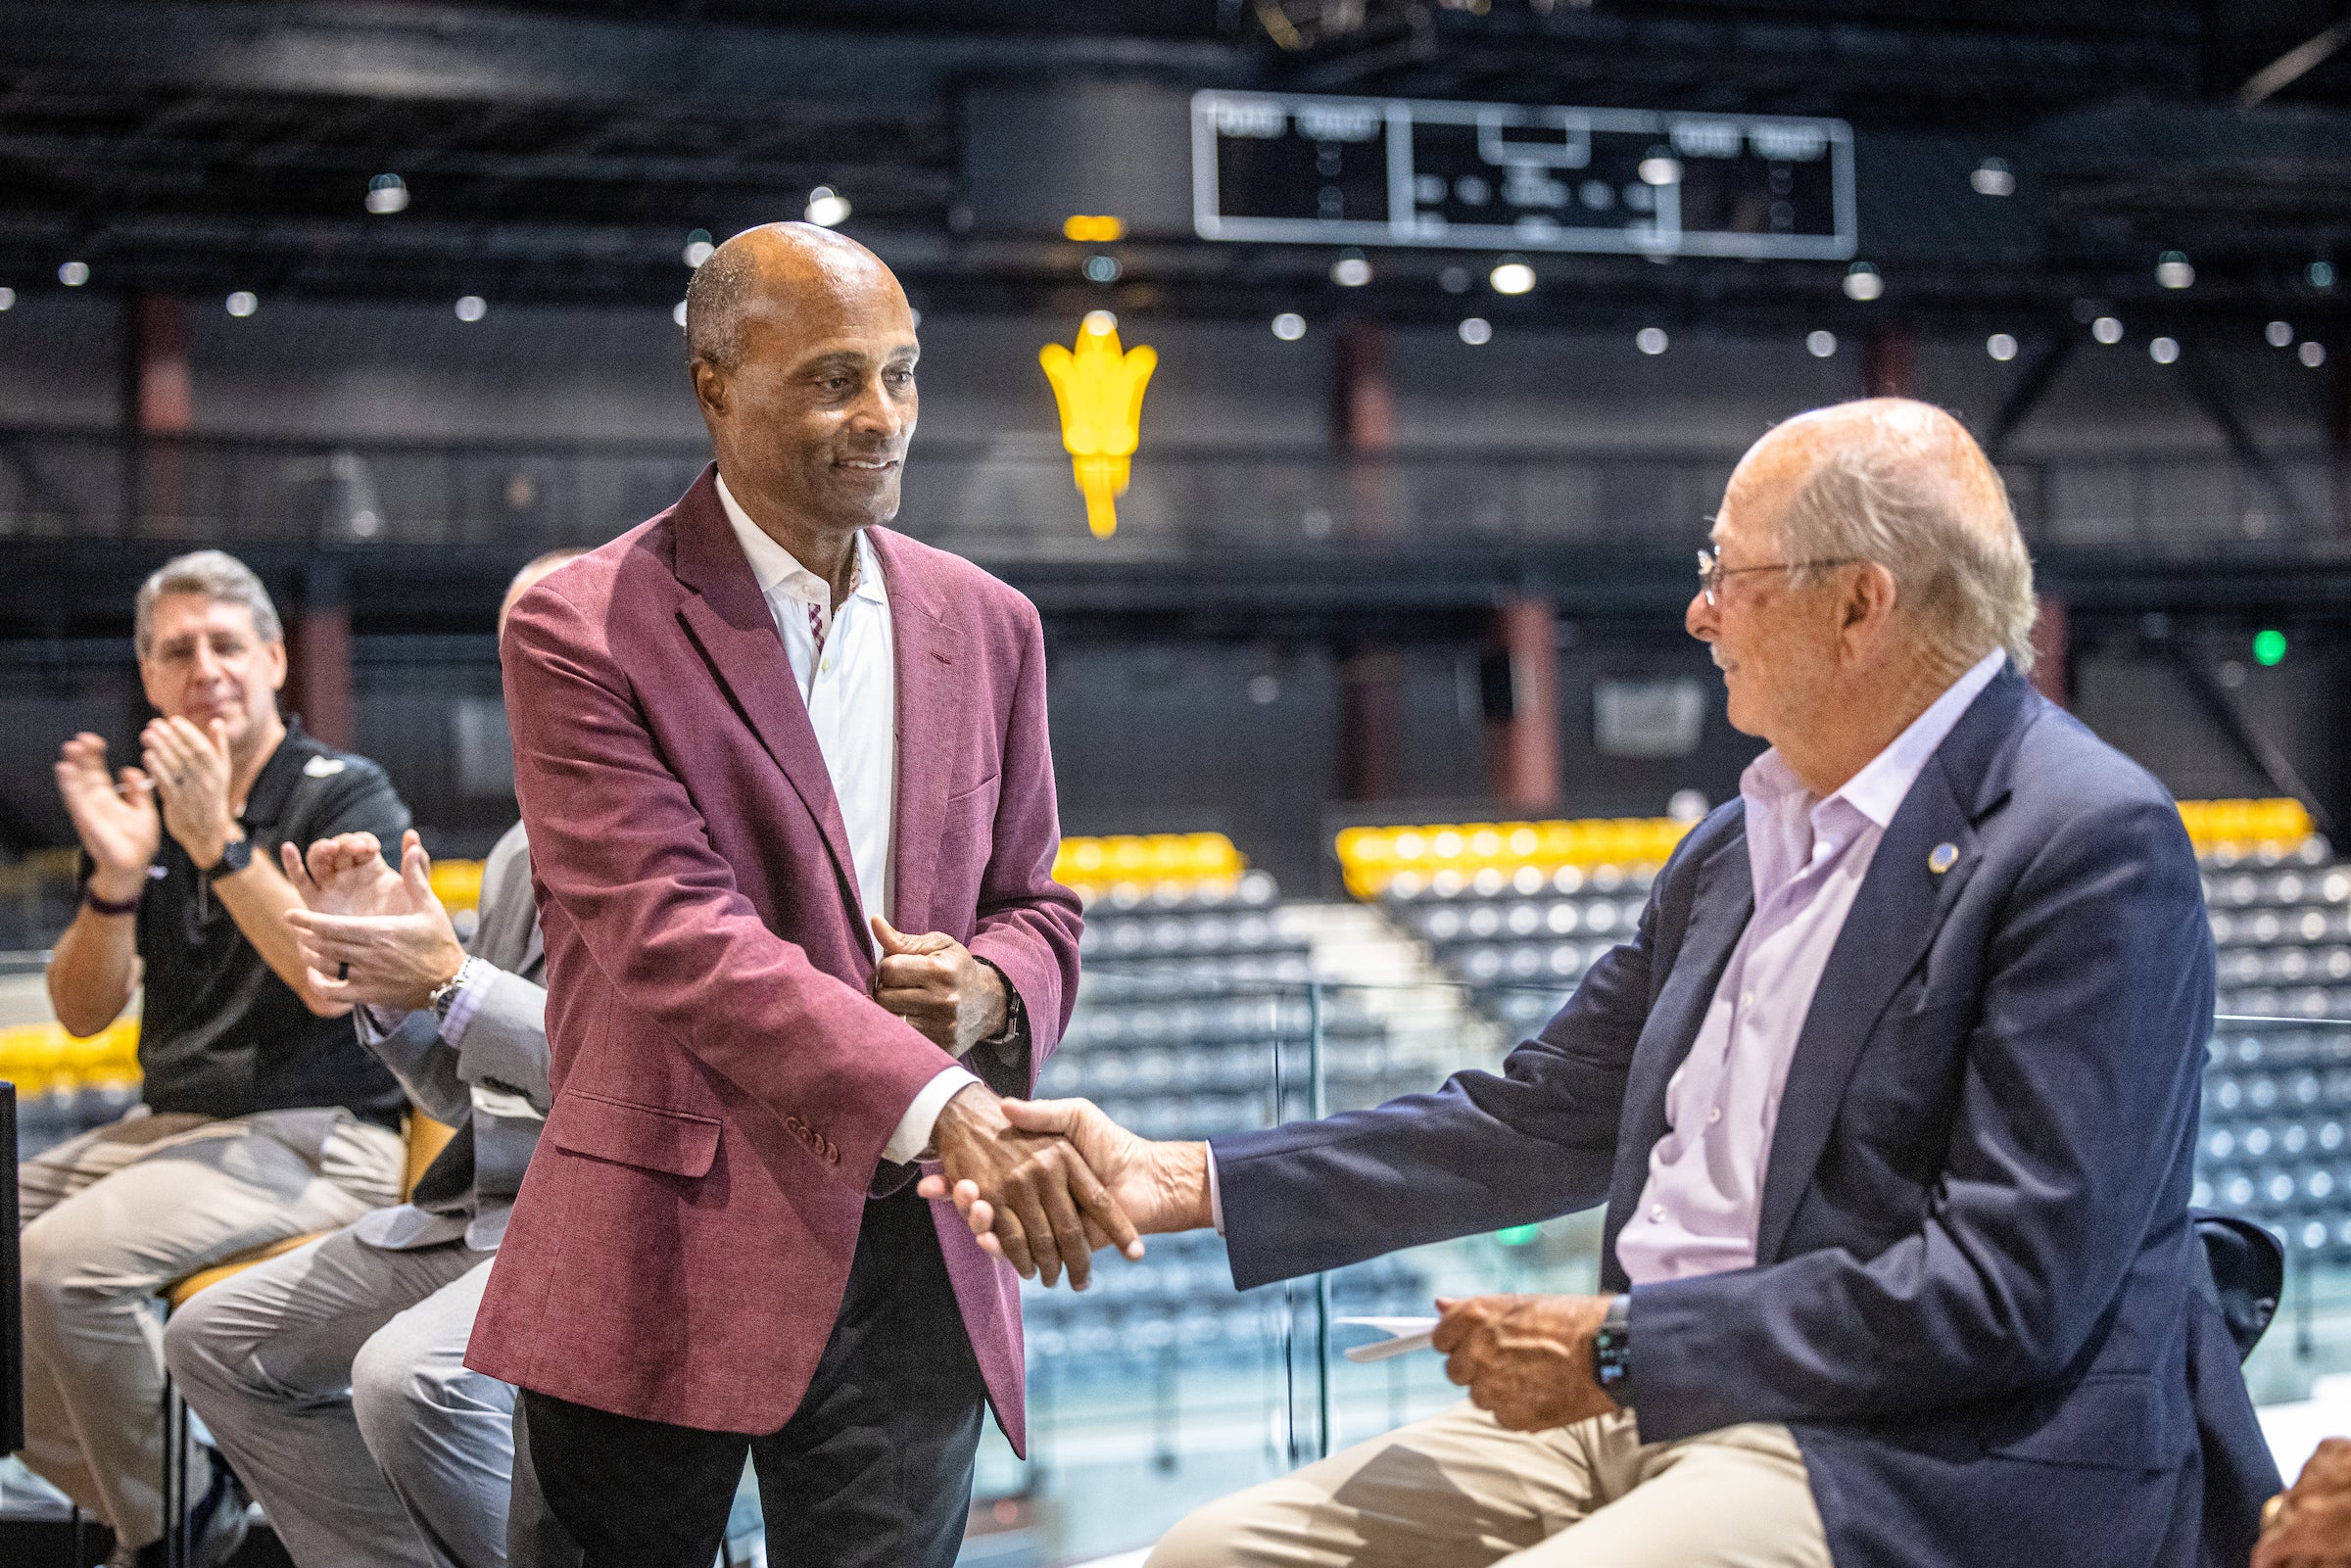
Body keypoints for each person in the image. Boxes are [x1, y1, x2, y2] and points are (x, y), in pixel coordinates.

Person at [951, 399, 2280, 1568]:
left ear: (1860, 603)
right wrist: (1176, 1178)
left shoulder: (2086, 840)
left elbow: (2002, 1293)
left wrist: (1621, 1348)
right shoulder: (1738, 841)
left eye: (1730, 574)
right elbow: (1539, 1118)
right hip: (1657, 1399)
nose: (1700, 610)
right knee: (1210, 1554)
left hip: (1916, 1448)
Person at [467, 221, 1130, 1568]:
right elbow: (674, 935)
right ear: (717, 385)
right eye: (835, 378)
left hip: (911, 1258)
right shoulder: (583, 623)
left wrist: (995, 983)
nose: (881, 415)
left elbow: (1041, 903)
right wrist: (941, 1098)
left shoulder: (991, 622)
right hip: (664, 1226)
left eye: (901, 372)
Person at [161, 548, 581, 1568]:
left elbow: (632, 1085)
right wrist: (388, 991)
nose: (533, 668)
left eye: (561, 641)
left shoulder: (688, 837)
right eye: (515, 649)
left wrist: (449, 978)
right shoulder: (527, 849)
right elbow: (468, 1080)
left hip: (603, 1219)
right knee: (211, 1340)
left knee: (409, 1377)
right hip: (476, 1209)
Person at [25, 547, 412, 1568]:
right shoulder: (139, 805)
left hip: (323, 1131)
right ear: (149, 677)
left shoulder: (343, 792)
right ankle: (172, 1489)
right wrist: (114, 881)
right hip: (172, 1133)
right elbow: (79, 1010)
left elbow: (334, 977)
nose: (206, 667)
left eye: (227, 644)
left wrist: (221, 845)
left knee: (62, 1266)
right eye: (177, 651)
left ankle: (166, 1527)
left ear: (275, 659)